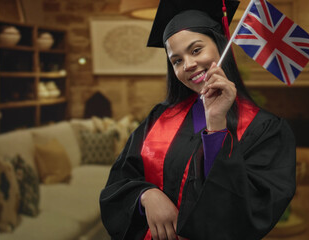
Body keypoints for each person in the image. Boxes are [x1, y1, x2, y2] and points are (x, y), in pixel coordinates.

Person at [99, 0, 296, 239]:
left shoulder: (266, 129)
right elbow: (119, 183)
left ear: (220, 46)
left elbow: (251, 211)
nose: (188, 65)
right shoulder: (159, 118)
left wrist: (216, 124)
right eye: (177, 60)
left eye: (196, 50)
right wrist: (146, 196)